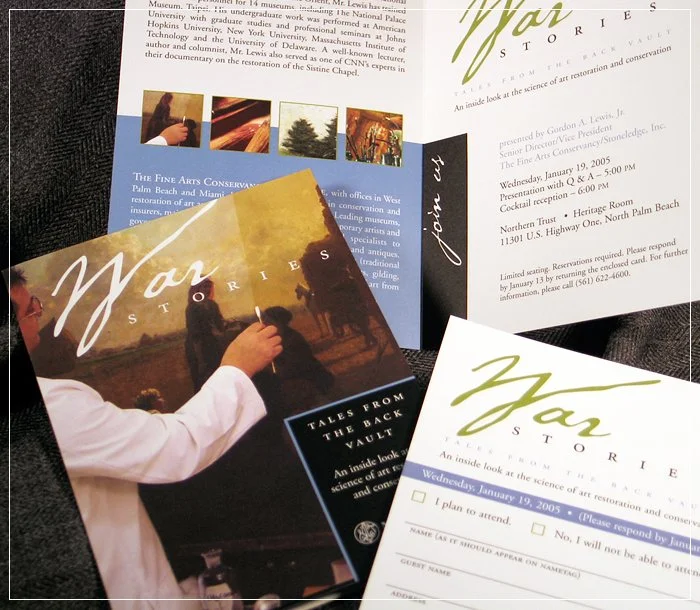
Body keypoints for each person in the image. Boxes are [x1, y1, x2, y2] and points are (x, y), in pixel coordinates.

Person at [9, 267, 283, 609]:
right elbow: (176, 447)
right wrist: (237, 368)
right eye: (30, 310)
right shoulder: (42, 406)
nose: (38, 314)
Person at [184, 277, 227, 392]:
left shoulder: (212, 305)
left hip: (214, 346)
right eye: (204, 286)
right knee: (202, 381)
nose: (207, 289)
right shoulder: (192, 308)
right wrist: (200, 360)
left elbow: (220, 325)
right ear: (197, 288)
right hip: (198, 348)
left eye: (209, 286)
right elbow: (195, 336)